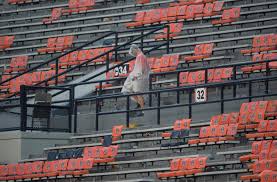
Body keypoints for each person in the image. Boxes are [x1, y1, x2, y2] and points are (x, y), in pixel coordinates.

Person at [121, 44, 151, 116]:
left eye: (132, 51)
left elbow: (142, 68)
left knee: (138, 93)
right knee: (130, 91)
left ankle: (142, 109)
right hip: (139, 77)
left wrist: (136, 76)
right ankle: (141, 105)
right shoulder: (140, 56)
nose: (133, 53)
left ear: (135, 49)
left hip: (139, 78)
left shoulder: (140, 56)